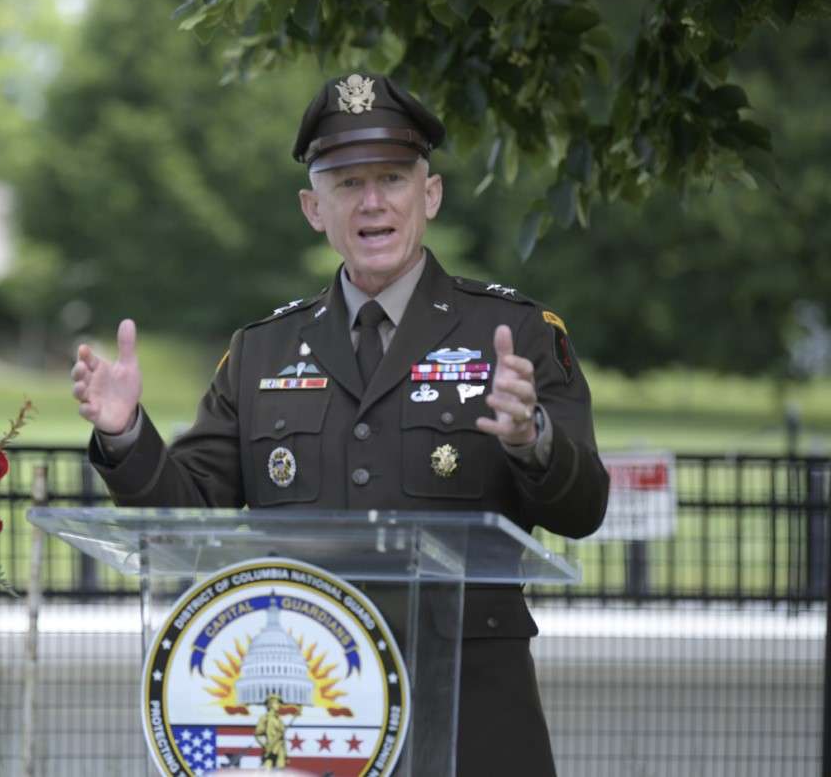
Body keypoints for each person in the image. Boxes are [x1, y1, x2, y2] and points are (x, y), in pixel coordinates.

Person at [71, 72, 610, 777]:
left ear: (432, 194)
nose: (373, 201)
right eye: (347, 182)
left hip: (469, 714)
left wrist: (530, 438)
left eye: (392, 176)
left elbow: (584, 507)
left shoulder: (513, 335)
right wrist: (124, 434)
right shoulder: (262, 350)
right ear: (313, 207)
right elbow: (187, 518)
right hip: (310, 718)